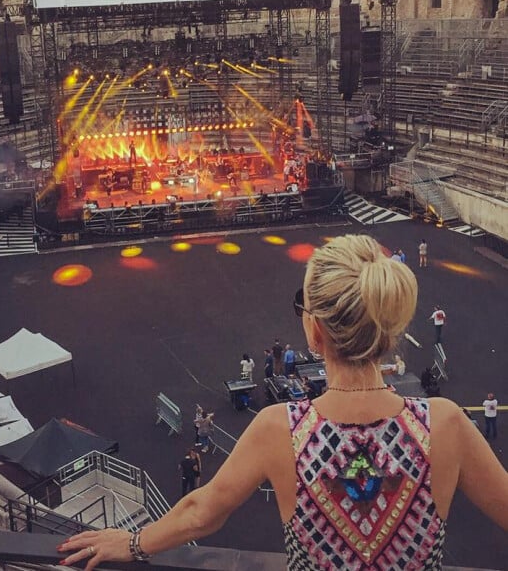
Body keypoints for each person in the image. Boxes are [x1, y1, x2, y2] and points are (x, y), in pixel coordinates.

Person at [57, 234, 508, 571]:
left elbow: (200, 514)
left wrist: (132, 543)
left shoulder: (282, 430)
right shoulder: (444, 424)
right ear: (388, 332)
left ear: (315, 332)